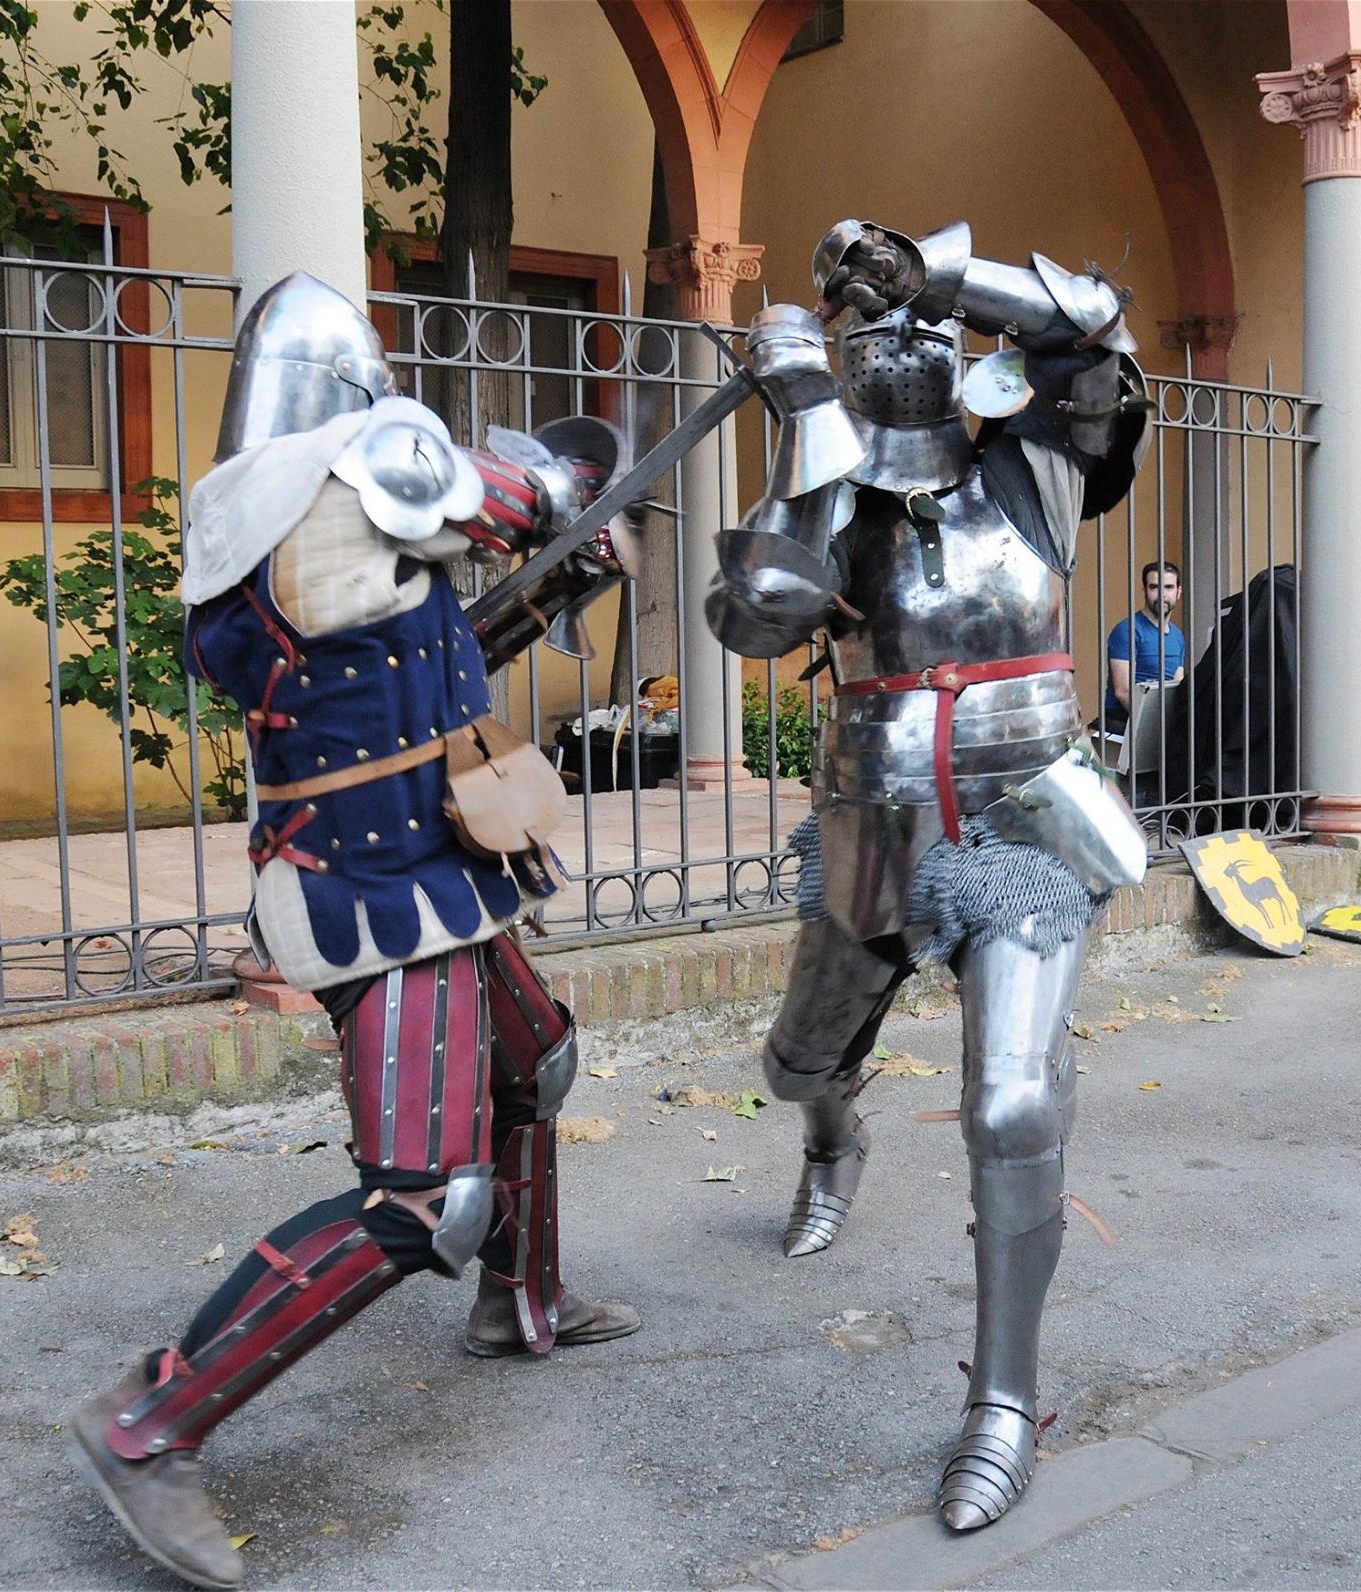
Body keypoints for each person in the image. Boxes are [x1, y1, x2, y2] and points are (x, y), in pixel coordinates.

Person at [68, 273, 638, 1591]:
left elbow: (422, 667)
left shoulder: (329, 533)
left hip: (430, 858)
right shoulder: (312, 490)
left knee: (534, 1056)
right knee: (428, 1195)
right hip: (371, 890)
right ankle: (150, 1421)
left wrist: (562, 588)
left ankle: (518, 1302)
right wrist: (554, 499)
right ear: (350, 400)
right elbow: (509, 487)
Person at [704, 219, 1151, 1533]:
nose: (894, 339)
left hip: (1027, 817)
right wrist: (800, 412)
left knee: (1014, 1109)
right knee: (794, 1062)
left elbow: (1098, 327)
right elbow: (751, 615)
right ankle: (830, 1139)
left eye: (916, 322)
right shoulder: (838, 500)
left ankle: (1003, 1404)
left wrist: (939, 271)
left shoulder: (1034, 470)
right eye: (864, 326)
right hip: (878, 829)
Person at [1103, 560, 1186, 732]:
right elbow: (1123, 691)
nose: (1162, 594)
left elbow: (1177, 684)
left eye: (1169, 587)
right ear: (1145, 591)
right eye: (1154, 587)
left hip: (1157, 723)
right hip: (1123, 724)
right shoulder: (1127, 630)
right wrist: (1156, 724)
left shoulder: (1177, 636)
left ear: (1179, 592)